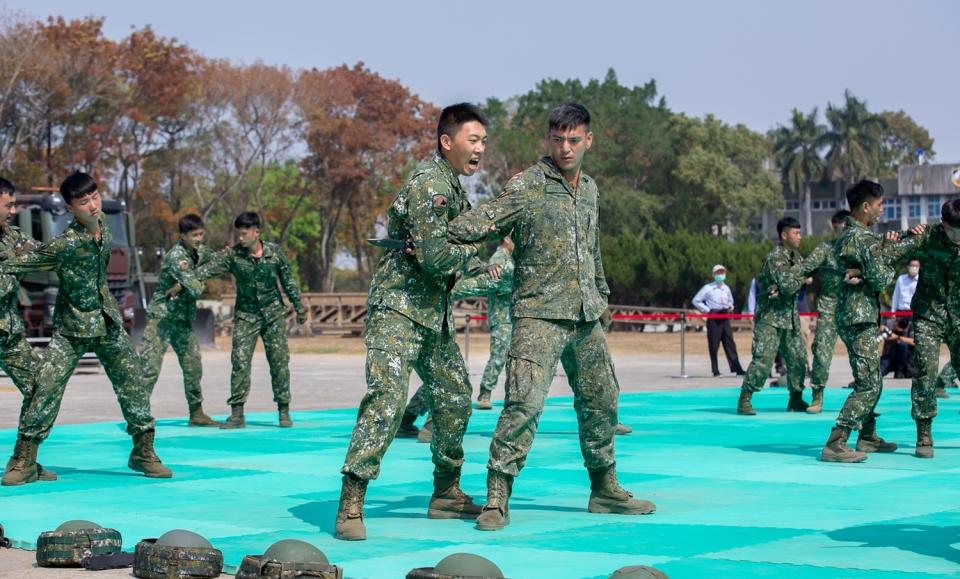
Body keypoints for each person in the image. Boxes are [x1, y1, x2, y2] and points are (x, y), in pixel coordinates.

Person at [447, 103, 655, 531]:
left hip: (585, 315)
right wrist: (435, 230)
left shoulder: (592, 189)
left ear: (588, 141)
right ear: (549, 140)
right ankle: (497, 496)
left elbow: (592, 248)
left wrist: (602, 298)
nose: (565, 148)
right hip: (538, 315)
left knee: (602, 402)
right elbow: (485, 220)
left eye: (574, 140)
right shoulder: (528, 185)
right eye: (558, 140)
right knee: (523, 405)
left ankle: (604, 488)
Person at [334, 103, 488, 541]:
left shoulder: (455, 190)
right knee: (387, 398)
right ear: (447, 141)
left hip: (431, 316)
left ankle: (446, 492)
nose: (479, 150)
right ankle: (352, 499)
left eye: (483, 143)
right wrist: (472, 253)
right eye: (472, 140)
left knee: (456, 396)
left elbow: (444, 253)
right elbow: (439, 259)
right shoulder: (430, 185)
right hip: (397, 310)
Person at [0, 172, 170, 485]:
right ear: (69, 208)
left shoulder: (103, 223)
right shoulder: (66, 243)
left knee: (132, 381)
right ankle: (25, 458)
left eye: (94, 197)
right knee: (45, 388)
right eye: (83, 202)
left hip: (105, 319)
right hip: (71, 325)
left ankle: (144, 451)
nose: (92, 205)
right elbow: (28, 260)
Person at [820, 180, 912, 462]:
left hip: (853, 315)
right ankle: (836, 442)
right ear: (865, 206)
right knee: (869, 384)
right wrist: (891, 252)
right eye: (880, 204)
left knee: (870, 378)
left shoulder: (849, 235)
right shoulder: (861, 238)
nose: (882, 210)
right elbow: (882, 278)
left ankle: (868, 435)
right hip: (859, 317)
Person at [197, 212, 306, 429]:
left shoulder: (274, 253)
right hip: (246, 315)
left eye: (244, 234)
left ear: (257, 232)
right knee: (239, 361)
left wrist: (299, 306)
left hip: (273, 314)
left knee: (279, 362)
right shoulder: (233, 256)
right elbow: (207, 270)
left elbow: (288, 281)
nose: (240, 238)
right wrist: (187, 273)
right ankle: (237, 414)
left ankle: (283, 410)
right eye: (238, 234)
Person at [138, 214, 219, 427]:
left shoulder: (199, 251)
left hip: (181, 319)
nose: (199, 239)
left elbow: (218, 261)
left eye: (201, 234)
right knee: (150, 369)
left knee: (193, 365)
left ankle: (196, 412)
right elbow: (196, 287)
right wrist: (193, 279)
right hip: (162, 319)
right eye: (194, 235)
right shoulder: (177, 257)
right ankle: (137, 415)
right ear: (182, 235)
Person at [0, 177, 56, 484]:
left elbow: (46, 252)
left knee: (39, 390)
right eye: (7, 205)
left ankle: (25, 460)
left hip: (8, 335)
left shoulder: (13, 236)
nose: (12, 211)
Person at [901, 199, 960, 458]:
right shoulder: (926, 237)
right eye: (955, 231)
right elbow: (893, 253)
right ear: (944, 224)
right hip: (929, 314)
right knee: (925, 371)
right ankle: (924, 432)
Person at [735, 217, 810, 415]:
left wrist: (799, 277)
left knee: (798, 358)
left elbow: (793, 286)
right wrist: (802, 277)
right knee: (763, 359)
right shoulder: (775, 258)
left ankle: (796, 398)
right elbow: (788, 285)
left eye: (800, 232)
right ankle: (745, 399)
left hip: (790, 317)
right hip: (770, 317)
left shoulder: (797, 258)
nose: (800, 236)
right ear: (784, 235)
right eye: (796, 233)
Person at [798, 210, 851, 413]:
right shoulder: (826, 249)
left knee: (862, 353)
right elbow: (806, 267)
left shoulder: (859, 248)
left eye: (844, 228)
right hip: (829, 305)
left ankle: (866, 399)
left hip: (854, 307)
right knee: (821, 350)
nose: (840, 232)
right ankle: (817, 396)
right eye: (837, 228)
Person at [692, 264, 745, 377]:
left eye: (722, 272)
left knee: (730, 343)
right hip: (714, 317)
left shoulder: (726, 288)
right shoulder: (708, 288)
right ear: (714, 274)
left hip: (725, 317)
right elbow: (696, 300)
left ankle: (737, 368)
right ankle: (715, 370)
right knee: (714, 344)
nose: (720, 275)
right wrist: (707, 310)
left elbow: (731, 301)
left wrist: (730, 307)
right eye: (718, 273)